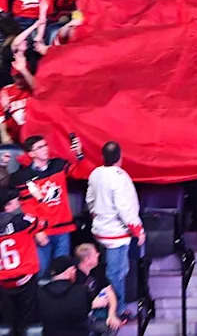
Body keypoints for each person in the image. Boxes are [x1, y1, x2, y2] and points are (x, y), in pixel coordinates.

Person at [85, 141, 144, 317]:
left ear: (102, 156)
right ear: (120, 157)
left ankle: (106, 309)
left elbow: (90, 200)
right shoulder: (120, 177)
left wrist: (97, 216)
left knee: (109, 272)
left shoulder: (95, 173)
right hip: (116, 235)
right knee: (115, 274)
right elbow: (124, 207)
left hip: (100, 231)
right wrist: (138, 230)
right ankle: (117, 310)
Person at [13, 134, 83, 276]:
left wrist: (79, 154)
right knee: (40, 272)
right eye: (40, 147)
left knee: (62, 273)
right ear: (31, 153)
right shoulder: (23, 177)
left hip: (63, 229)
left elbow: (80, 173)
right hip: (42, 232)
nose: (45, 149)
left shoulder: (58, 165)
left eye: (45, 145)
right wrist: (37, 230)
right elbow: (27, 208)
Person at [0, 187, 45, 335]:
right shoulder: (22, 221)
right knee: (25, 323)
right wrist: (38, 200)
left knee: (7, 323)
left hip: (3, 281)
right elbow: (43, 223)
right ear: (7, 205)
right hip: (24, 278)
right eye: (15, 201)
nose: (19, 203)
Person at [38, 256, 96, 336]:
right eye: (73, 269)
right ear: (68, 271)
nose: (75, 271)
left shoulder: (40, 293)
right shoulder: (81, 291)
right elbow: (87, 309)